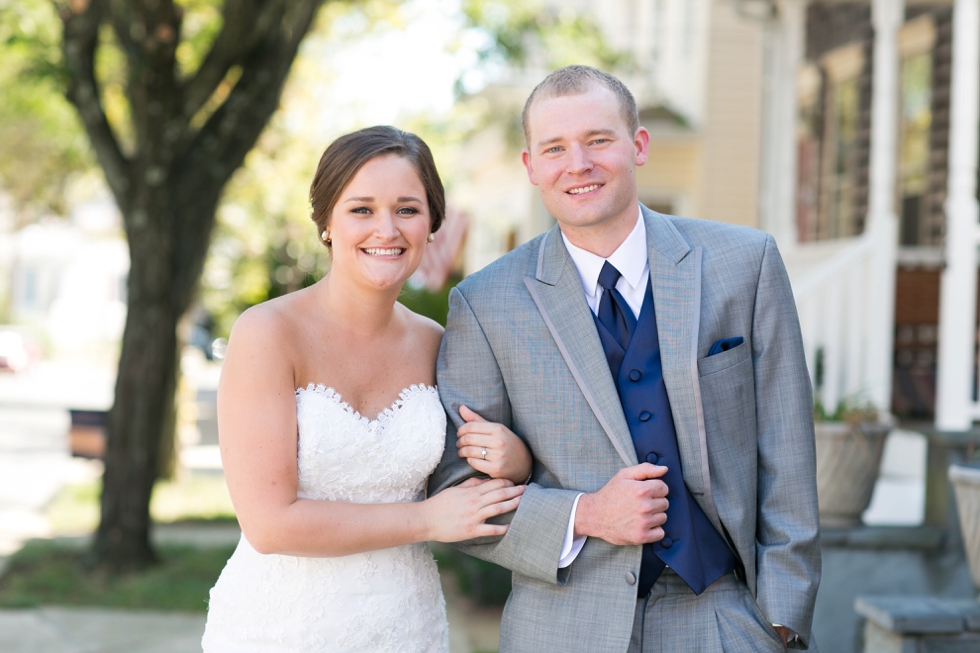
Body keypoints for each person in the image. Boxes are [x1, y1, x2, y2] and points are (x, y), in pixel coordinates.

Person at [429, 65, 821, 652]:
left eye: (598, 140)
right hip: (563, 628)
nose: (578, 164)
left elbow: (786, 447)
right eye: (555, 148)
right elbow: (459, 494)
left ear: (637, 145)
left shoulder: (746, 264)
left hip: (723, 616)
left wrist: (782, 621)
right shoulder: (486, 303)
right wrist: (583, 515)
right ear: (531, 166)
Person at [201, 126, 533, 652]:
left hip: (407, 624)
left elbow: (465, 477)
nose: (387, 229)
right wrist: (426, 520)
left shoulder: (439, 344)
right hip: (281, 628)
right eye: (361, 209)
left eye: (407, 209)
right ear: (327, 222)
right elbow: (269, 523)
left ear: (431, 225)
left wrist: (514, 459)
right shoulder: (267, 334)